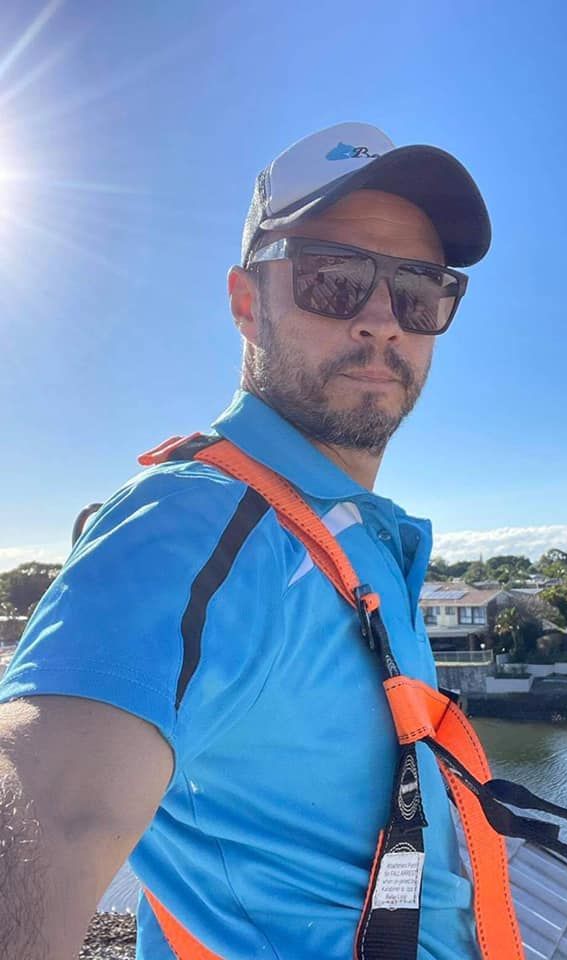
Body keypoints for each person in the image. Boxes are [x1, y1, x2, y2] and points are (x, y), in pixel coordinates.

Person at [0, 122, 494, 959]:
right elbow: (51, 807)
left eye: (417, 290)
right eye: (333, 279)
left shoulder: (344, 531)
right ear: (245, 303)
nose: (382, 321)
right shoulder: (194, 522)